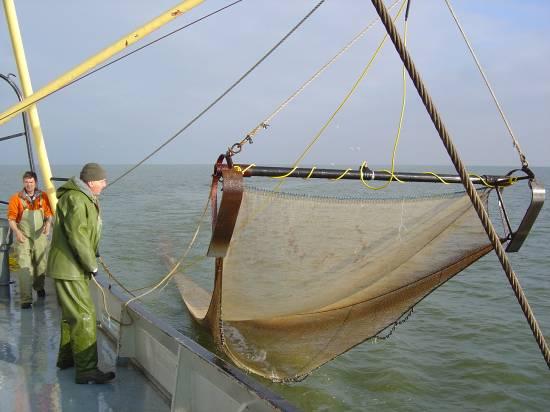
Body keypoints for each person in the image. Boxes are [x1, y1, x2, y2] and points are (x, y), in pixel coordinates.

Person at [46, 163, 115, 384]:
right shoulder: (76, 199)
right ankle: (86, 370)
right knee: (85, 315)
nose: (105, 184)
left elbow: (84, 233)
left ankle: (67, 360)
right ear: (92, 182)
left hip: (70, 267)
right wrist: (91, 264)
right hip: (71, 268)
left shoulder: (81, 198)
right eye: (102, 181)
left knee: (70, 316)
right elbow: (78, 235)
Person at [7, 171, 53, 309]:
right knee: (24, 266)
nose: (29, 185)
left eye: (31, 182)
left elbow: (49, 214)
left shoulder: (43, 196)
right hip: (24, 235)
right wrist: (17, 232)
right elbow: (11, 219)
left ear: (36, 183)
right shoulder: (16, 198)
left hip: (40, 235)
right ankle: (26, 300)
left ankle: (39, 287)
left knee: (41, 264)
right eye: (26, 182)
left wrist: (48, 224)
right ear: (23, 183)